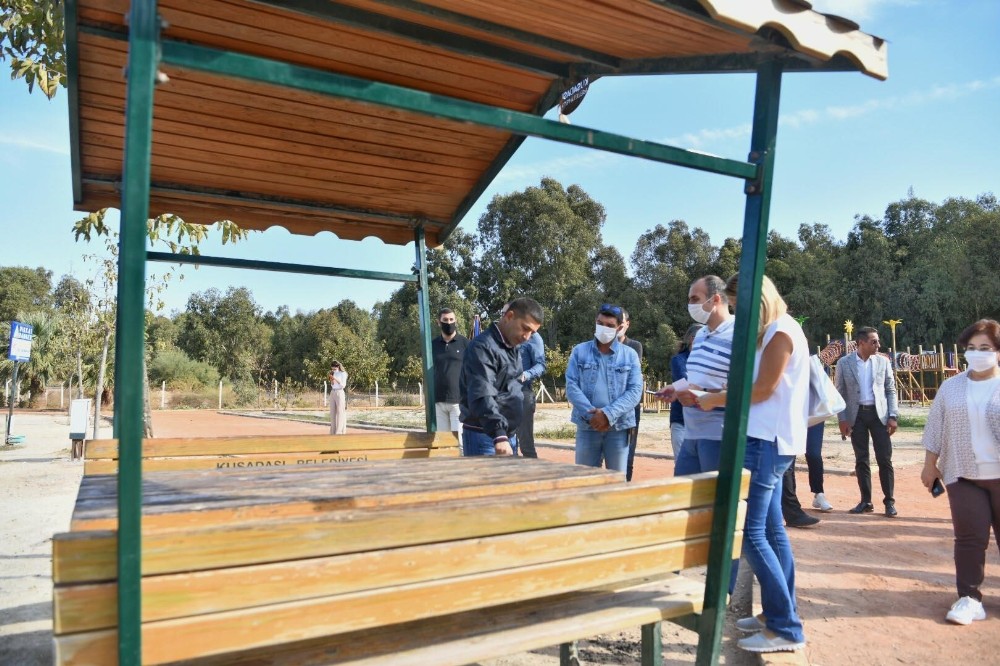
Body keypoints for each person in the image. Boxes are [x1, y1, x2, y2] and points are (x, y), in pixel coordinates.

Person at [697, 274, 808, 653]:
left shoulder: (781, 331)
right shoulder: (774, 330)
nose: (739, 313)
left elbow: (763, 390)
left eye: (740, 304)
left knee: (750, 534)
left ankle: (786, 627)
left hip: (766, 442)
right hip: (766, 440)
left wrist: (717, 400)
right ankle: (780, 612)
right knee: (772, 532)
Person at [921, 318, 1000, 626]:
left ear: (997, 352)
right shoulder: (951, 387)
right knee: (969, 538)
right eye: (971, 348)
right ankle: (969, 598)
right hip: (965, 475)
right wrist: (930, 464)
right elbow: (936, 425)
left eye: (985, 348)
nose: (977, 353)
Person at [459, 297, 544, 456]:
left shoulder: (512, 347)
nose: (527, 336)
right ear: (509, 316)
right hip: (486, 436)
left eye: (532, 332)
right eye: (525, 328)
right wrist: (499, 433)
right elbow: (482, 393)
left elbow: (511, 390)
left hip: (506, 435)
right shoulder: (482, 347)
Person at [565, 304, 642, 473]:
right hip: (587, 426)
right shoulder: (579, 351)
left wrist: (608, 415)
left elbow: (635, 391)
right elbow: (571, 386)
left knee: (616, 481)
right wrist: (593, 416)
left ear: (620, 328)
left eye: (610, 325)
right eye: (600, 323)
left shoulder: (630, 355)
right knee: (584, 480)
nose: (603, 328)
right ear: (595, 322)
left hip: (618, 428)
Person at [673, 275, 735, 475]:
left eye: (694, 299)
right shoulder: (699, 335)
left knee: (713, 502)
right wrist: (676, 389)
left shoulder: (738, 334)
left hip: (719, 436)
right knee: (684, 500)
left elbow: (745, 388)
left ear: (715, 299)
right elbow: (696, 380)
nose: (690, 305)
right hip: (691, 433)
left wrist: (706, 392)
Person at [835, 326, 900, 516]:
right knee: (861, 460)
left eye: (878, 341)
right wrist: (842, 419)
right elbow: (840, 392)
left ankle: (889, 502)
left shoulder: (883, 362)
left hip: (879, 416)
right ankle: (866, 501)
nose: (878, 345)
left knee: (884, 459)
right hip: (857, 417)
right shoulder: (844, 363)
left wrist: (893, 416)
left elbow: (890, 389)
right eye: (874, 341)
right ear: (860, 343)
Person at [431, 308, 469, 444]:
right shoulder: (432, 345)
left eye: (451, 320)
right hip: (438, 402)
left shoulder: (465, 344)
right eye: (445, 320)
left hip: (457, 402)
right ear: (438, 322)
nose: (449, 323)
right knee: (443, 444)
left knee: (459, 443)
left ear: (456, 320)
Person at [668, 324, 702, 459]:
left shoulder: (708, 362)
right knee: (683, 466)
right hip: (681, 422)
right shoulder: (678, 360)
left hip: (703, 423)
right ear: (693, 339)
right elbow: (683, 384)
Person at [618, 308, 644, 480]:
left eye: (621, 323)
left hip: (629, 408)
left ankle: (625, 487)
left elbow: (631, 378)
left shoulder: (635, 346)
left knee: (627, 453)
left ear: (627, 324)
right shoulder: (597, 346)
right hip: (602, 406)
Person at [515, 328, 546, 458]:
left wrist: (526, 374)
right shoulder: (504, 335)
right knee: (503, 443)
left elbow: (541, 365)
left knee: (525, 444)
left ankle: (534, 475)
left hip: (523, 393)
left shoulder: (534, 337)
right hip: (501, 393)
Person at [806, 422, 834, 511]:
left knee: (814, 454)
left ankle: (819, 494)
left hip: (814, 416)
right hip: (791, 415)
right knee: (790, 456)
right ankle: (791, 500)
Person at [327, 361, 348, 435]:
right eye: (332, 369)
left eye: (334, 368)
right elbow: (332, 384)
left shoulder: (343, 373)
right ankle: (333, 431)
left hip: (340, 392)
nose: (333, 370)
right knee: (332, 412)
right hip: (333, 391)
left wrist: (335, 379)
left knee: (340, 412)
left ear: (338, 367)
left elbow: (343, 385)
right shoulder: (333, 373)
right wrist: (332, 380)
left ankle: (339, 431)